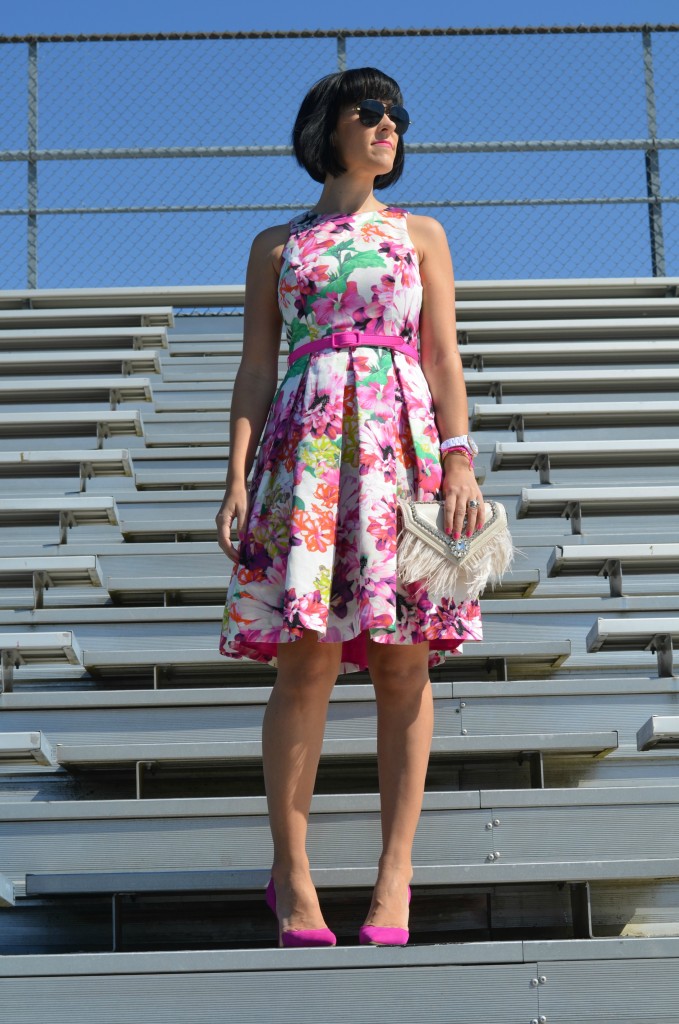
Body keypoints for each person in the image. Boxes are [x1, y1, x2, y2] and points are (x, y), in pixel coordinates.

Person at [215, 67, 484, 948]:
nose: (388, 126)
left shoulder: (421, 235)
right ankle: (292, 878)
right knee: (307, 665)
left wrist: (458, 463)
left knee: (406, 663)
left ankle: (391, 878)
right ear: (327, 127)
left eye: (397, 115)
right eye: (369, 112)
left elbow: (441, 357)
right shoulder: (275, 246)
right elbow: (256, 366)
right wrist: (235, 478)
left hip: (401, 453)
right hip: (307, 452)